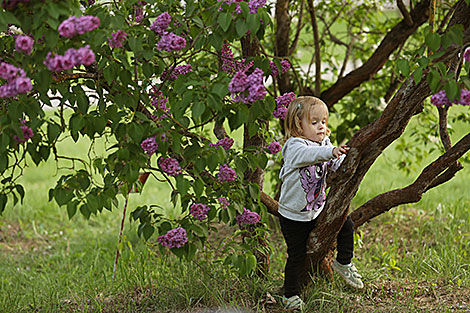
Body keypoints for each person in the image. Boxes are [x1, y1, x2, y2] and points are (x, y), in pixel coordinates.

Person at [278, 96, 363, 310]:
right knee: (297, 255)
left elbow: (332, 164)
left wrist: (341, 159)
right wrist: (330, 152)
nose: (321, 127)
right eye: (314, 123)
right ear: (299, 125)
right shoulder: (294, 146)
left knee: (346, 224)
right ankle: (290, 295)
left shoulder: (323, 142)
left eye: (323, 122)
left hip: (317, 207)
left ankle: (343, 262)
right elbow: (311, 155)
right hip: (293, 215)